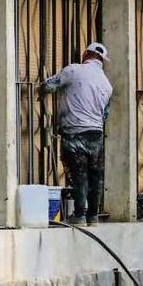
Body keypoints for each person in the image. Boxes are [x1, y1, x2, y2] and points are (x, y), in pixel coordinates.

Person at [43, 42, 114, 227]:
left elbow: (49, 85)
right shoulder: (107, 85)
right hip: (96, 133)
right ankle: (93, 216)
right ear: (102, 61)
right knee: (95, 175)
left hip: (74, 131)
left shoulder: (74, 70)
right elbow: (105, 114)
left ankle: (80, 215)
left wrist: (39, 88)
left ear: (85, 53)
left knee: (78, 173)